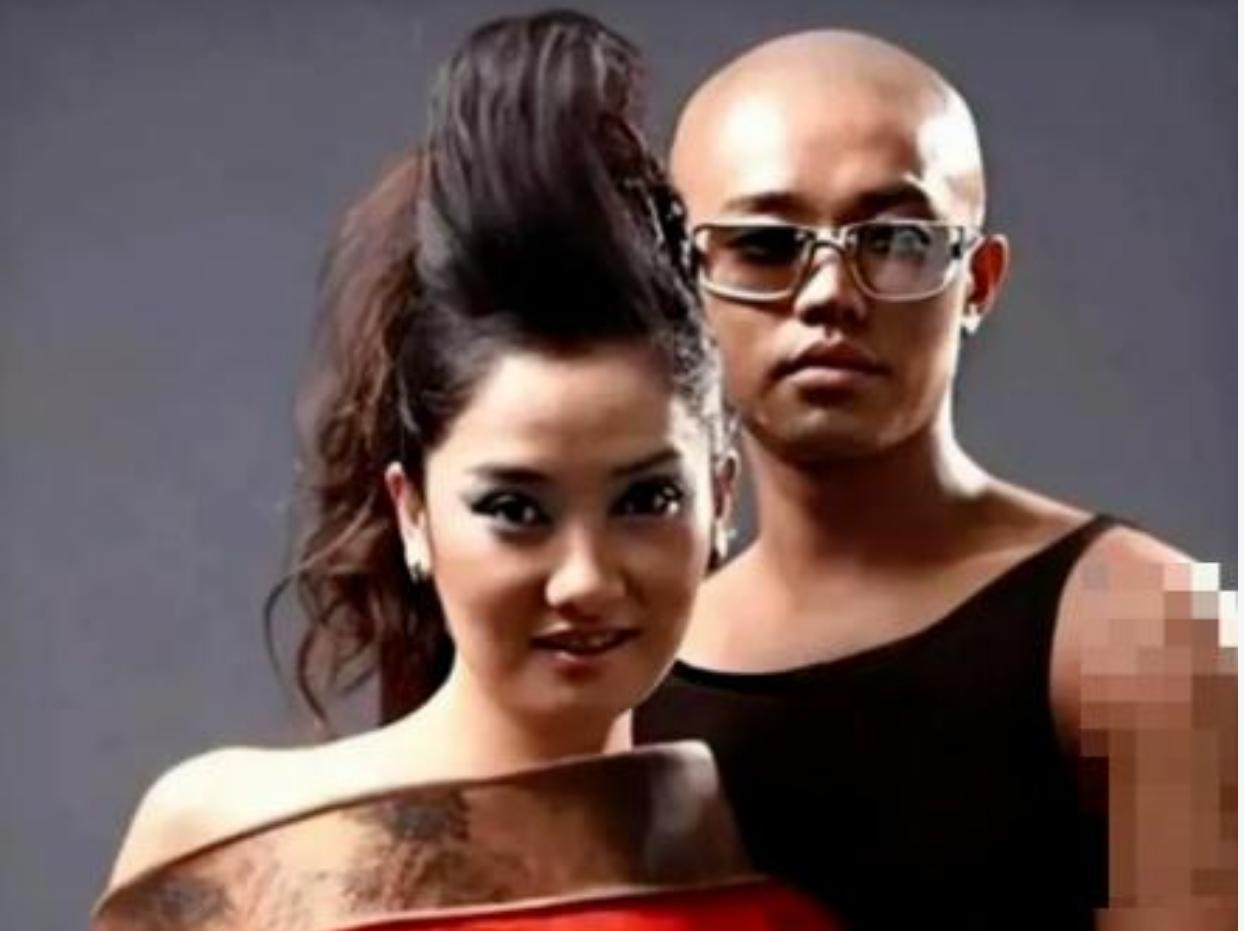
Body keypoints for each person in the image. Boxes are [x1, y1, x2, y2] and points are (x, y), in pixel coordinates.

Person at [92, 13, 839, 931]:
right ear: (412, 511)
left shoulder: (770, 907)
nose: (586, 579)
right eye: (516, 508)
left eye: (646, 498)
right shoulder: (231, 854)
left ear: (721, 498)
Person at [635, 29, 1236, 930]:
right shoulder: (628, 655)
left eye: (898, 239)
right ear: (685, 282)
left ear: (978, 282)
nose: (829, 292)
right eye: (765, 243)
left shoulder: (1147, 627)